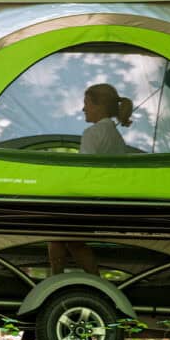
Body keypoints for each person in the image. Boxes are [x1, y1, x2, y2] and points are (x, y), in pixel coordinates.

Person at [48, 84, 133, 276]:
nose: (83, 109)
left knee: (57, 233)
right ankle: (76, 279)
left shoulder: (92, 133)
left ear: (99, 106)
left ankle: (59, 280)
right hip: (110, 201)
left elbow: (84, 171)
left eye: (86, 103)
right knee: (63, 238)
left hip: (93, 203)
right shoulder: (117, 137)